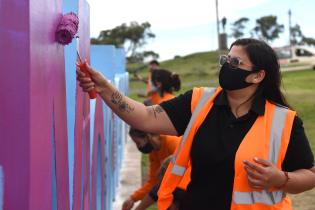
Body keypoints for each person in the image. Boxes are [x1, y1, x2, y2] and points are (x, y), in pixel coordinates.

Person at [77, 38, 315, 210]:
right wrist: (104, 87)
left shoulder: (284, 121)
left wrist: (282, 179)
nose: (226, 66)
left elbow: (310, 174)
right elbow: (144, 117)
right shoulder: (199, 101)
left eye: (235, 63)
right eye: (226, 59)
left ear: (257, 76)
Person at [122, 128, 179, 210]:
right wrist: (132, 198)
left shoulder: (172, 143)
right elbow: (154, 181)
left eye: (138, 143)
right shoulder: (154, 152)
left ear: (148, 136)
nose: (138, 147)